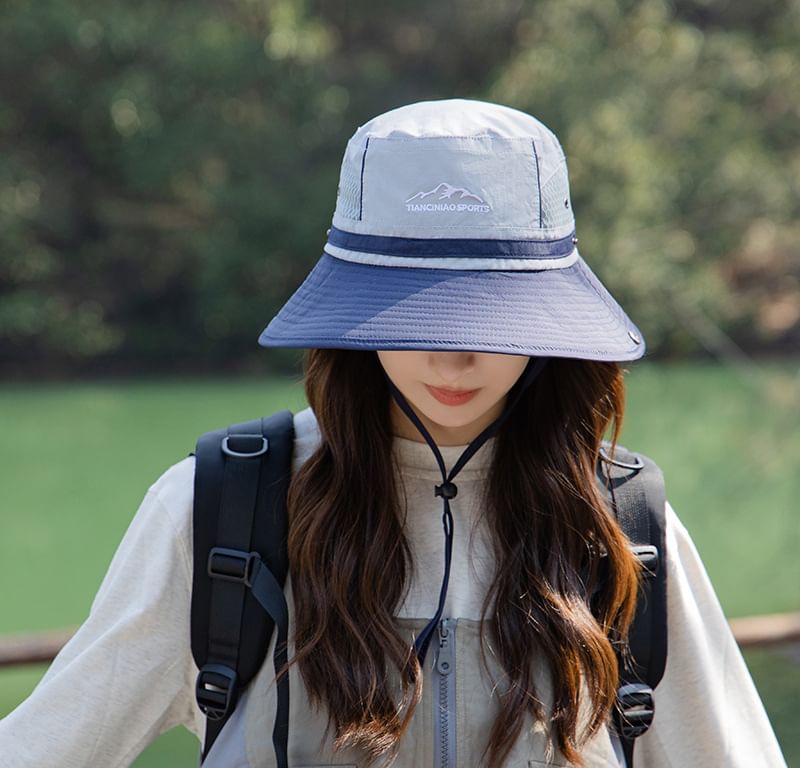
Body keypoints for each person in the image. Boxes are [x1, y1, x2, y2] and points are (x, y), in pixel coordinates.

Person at [0, 98, 786, 768]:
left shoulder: (620, 522)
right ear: (355, 310)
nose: (454, 353)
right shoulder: (223, 508)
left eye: (494, 314)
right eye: (414, 312)